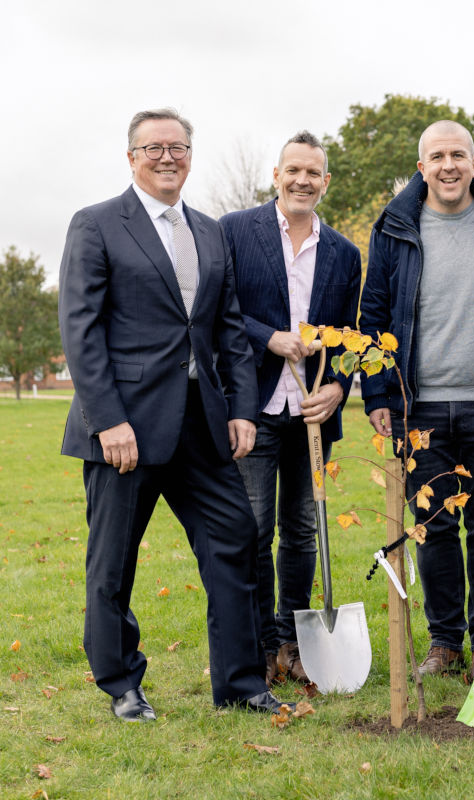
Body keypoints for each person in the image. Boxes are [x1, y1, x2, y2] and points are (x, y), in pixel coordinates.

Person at [59, 108, 295, 721]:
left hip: (201, 423)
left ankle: (241, 684)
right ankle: (121, 685)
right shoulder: (96, 225)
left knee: (238, 542)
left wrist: (242, 409)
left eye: (179, 147)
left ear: (191, 155)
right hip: (125, 430)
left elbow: (226, 329)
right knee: (113, 564)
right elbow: (80, 332)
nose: (168, 157)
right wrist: (108, 420)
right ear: (131, 156)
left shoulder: (210, 232)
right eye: (154, 147)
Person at [359, 120, 474, 677]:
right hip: (419, 405)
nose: (449, 165)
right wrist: (377, 393)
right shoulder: (395, 227)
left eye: (459, 154)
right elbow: (374, 315)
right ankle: (445, 641)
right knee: (431, 529)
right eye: (438, 156)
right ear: (421, 167)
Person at [220, 131, 361, 685]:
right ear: (276, 176)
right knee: (253, 528)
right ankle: (257, 646)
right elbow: (220, 309)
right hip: (253, 407)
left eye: (314, 173)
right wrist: (269, 338)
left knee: (302, 530)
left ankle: (292, 641)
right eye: (293, 170)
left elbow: (354, 337)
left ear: (325, 182)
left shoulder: (345, 254)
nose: (303, 180)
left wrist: (340, 390)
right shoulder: (236, 232)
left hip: (312, 416)